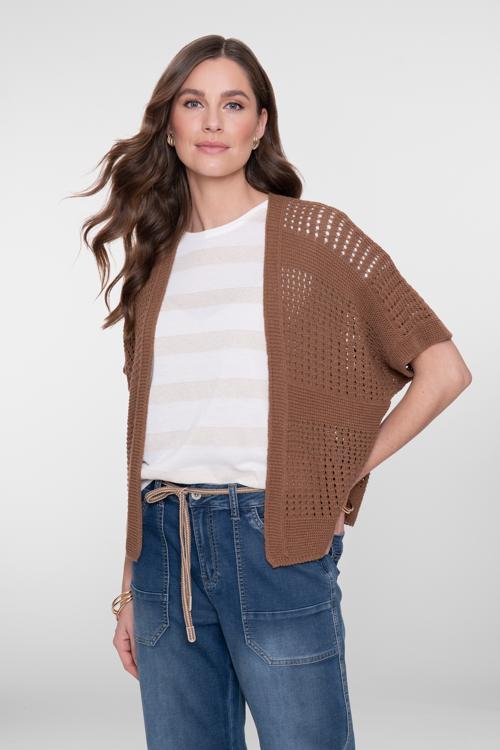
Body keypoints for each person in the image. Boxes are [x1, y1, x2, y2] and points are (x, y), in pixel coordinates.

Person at [78, 35, 471, 750]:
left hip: (272, 541)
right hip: (162, 547)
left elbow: (444, 370)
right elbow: (158, 435)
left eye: (233, 105)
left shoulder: (316, 237)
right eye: (193, 103)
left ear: (260, 124)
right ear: (169, 123)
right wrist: (131, 584)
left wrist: (335, 474)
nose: (212, 122)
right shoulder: (154, 260)